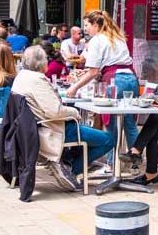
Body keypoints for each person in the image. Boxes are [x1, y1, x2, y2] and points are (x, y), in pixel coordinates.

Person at [13, 45, 115, 191]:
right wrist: (74, 112)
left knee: (89, 133)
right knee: (108, 139)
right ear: (41, 62)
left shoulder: (21, 77)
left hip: (33, 128)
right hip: (52, 129)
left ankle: (65, 161)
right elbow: (55, 111)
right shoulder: (37, 80)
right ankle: (71, 168)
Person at [66, 11, 139, 157]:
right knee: (130, 124)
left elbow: (93, 72)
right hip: (131, 79)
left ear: (96, 25)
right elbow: (108, 65)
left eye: (87, 25)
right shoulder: (117, 37)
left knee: (111, 126)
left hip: (115, 81)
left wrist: (74, 87)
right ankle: (135, 160)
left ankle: (112, 164)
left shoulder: (97, 40)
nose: (85, 29)